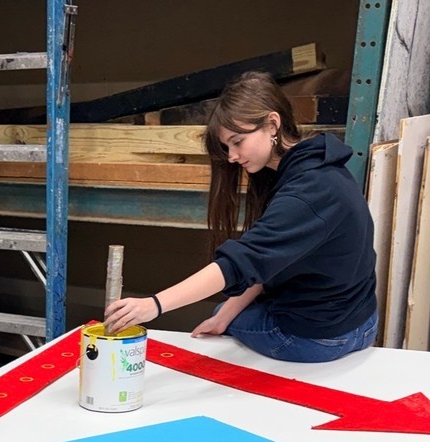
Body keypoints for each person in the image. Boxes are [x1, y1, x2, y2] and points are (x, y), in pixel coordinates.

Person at [103, 72, 378, 362]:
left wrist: (153, 305)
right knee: (226, 311)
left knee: (220, 311)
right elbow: (268, 258)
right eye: (227, 147)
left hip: (321, 337)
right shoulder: (319, 164)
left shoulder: (306, 193)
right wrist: (228, 314)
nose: (232, 156)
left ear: (273, 123)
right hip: (362, 320)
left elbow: (239, 263)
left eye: (237, 142)